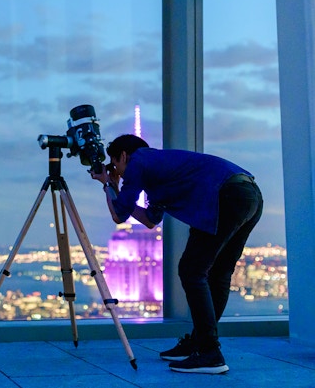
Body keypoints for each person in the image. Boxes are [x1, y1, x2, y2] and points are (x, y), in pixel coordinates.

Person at [90, 134, 263, 374]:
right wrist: (114, 187)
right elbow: (150, 220)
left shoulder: (138, 161)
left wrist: (109, 185)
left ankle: (209, 353)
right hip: (249, 194)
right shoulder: (162, 170)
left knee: (191, 271)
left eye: (115, 165)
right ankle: (199, 344)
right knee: (218, 273)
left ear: (123, 156)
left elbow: (119, 215)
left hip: (224, 196)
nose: (117, 171)